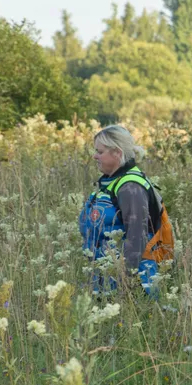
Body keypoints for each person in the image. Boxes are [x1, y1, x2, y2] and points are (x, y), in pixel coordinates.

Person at [79, 125, 174, 295]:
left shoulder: (131, 187)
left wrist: (127, 278)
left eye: (100, 152)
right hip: (107, 275)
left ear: (117, 152)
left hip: (129, 281)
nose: (95, 156)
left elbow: (137, 236)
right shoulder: (112, 181)